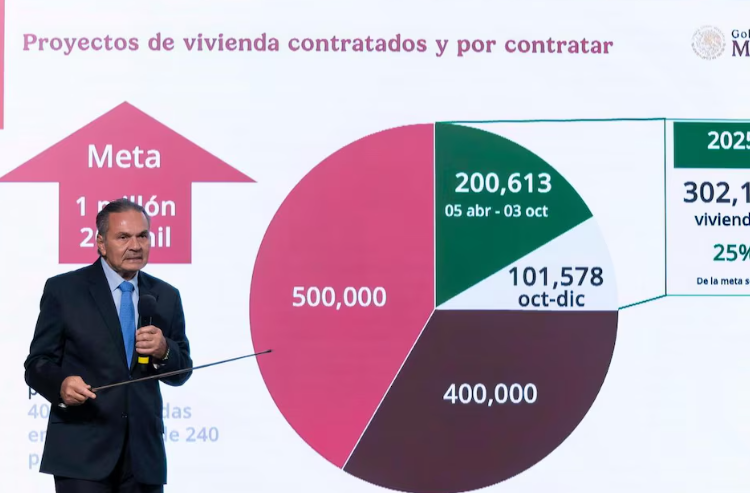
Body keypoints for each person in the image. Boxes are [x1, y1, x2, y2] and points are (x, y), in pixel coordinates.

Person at [24, 198, 193, 492]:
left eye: (143, 236)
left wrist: (164, 351)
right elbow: (37, 363)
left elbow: (182, 372)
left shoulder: (166, 295)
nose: (136, 246)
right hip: (82, 453)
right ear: (101, 243)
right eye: (123, 237)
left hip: (144, 458)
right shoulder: (64, 290)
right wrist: (61, 384)